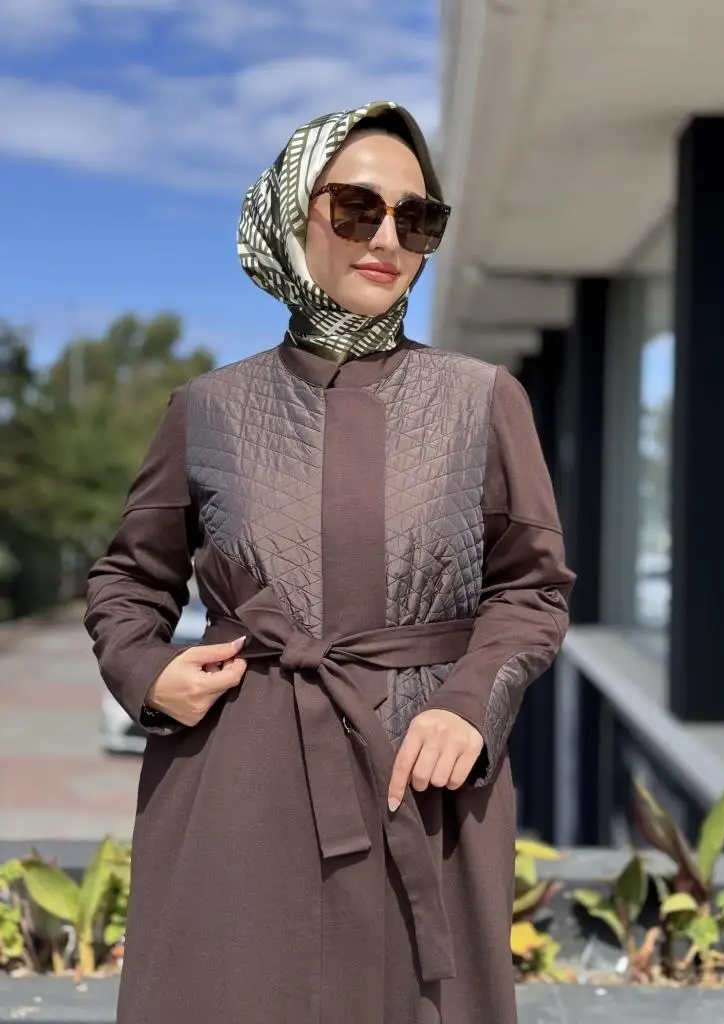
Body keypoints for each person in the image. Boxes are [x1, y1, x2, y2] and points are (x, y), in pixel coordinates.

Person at [84, 99, 575, 1024]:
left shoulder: (484, 400)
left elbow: (531, 588)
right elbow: (129, 578)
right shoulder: (207, 408)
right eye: (357, 208)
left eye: (417, 218)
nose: (388, 238)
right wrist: (148, 673)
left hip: (423, 778)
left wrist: (471, 704)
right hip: (238, 778)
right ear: (291, 214)